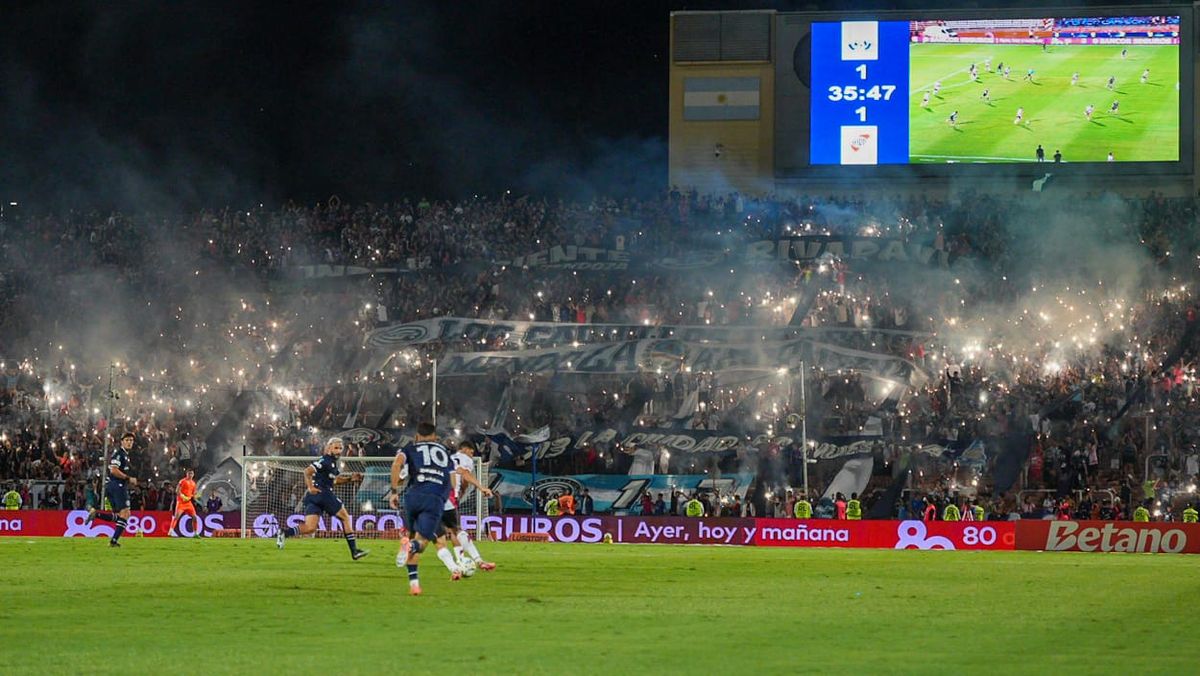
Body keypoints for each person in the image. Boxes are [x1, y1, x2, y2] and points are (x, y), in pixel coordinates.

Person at [390, 422, 460, 595]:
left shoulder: (410, 448)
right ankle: (412, 547)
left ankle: (414, 584)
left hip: (412, 496)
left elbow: (396, 465)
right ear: (435, 437)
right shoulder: (445, 452)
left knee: (412, 536)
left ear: (417, 436)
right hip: (434, 500)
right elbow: (453, 482)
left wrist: (394, 491)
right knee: (420, 544)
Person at [275, 437, 369, 561]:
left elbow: (335, 480)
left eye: (340, 448)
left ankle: (284, 533)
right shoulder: (325, 461)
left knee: (310, 527)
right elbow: (307, 471)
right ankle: (354, 551)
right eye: (336, 448)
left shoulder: (332, 463)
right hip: (323, 494)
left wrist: (350, 479)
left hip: (314, 497)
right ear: (329, 448)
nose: (339, 451)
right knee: (345, 518)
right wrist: (310, 487)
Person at [440, 440, 495, 573]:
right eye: (471, 452)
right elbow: (465, 474)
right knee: (456, 531)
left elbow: (460, 478)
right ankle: (476, 561)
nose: (471, 455)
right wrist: (481, 487)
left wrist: (462, 490)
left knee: (449, 531)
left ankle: (462, 562)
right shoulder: (466, 459)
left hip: (436, 494)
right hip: (449, 495)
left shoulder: (449, 458)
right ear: (464, 449)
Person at [85, 432, 138, 547]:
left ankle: (96, 514)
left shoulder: (125, 455)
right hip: (117, 486)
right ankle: (113, 541)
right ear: (122, 442)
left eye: (131, 440)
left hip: (114, 486)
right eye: (127, 440)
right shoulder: (119, 454)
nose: (129, 442)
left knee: (119, 516)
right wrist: (128, 478)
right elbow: (114, 470)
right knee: (126, 513)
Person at [169, 468, 200, 537]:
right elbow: (177, 490)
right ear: (186, 474)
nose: (190, 475)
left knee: (195, 517)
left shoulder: (193, 483)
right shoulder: (182, 481)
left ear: (193, 474)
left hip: (188, 503)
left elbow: (193, 495)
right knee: (176, 517)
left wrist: (197, 496)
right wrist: (183, 496)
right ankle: (170, 531)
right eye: (189, 473)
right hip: (181, 502)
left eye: (192, 473)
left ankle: (195, 533)